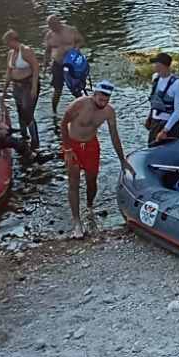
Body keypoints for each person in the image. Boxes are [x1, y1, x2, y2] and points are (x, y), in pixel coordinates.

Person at [60, 79, 130, 238]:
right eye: (100, 99)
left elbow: (114, 136)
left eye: (106, 100)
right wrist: (67, 149)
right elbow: (63, 124)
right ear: (94, 94)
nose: (103, 102)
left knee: (92, 181)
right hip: (73, 145)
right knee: (74, 182)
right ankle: (77, 221)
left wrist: (122, 159)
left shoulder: (109, 112)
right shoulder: (79, 104)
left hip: (91, 146)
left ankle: (89, 208)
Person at [2, 30, 41, 150]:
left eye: (8, 43)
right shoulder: (10, 53)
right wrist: (4, 89)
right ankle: (24, 136)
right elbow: (8, 72)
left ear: (13, 40)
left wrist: (34, 86)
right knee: (20, 111)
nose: (7, 45)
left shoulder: (26, 51)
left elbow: (35, 68)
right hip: (17, 86)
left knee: (27, 112)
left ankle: (35, 141)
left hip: (28, 85)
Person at [43, 15, 83, 111]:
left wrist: (76, 49)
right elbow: (47, 51)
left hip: (72, 63)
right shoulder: (50, 35)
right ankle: (54, 112)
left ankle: (83, 106)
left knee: (75, 88)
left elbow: (81, 41)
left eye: (53, 25)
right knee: (57, 90)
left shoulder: (70, 30)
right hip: (58, 64)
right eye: (50, 26)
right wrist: (45, 64)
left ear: (58, 23)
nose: (52, 28)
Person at [146, 52, 179, 147]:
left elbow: (177, 111)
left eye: (156, 64)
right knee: (152, 150)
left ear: (163, 66)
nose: (154, 66)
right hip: (155, 122)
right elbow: (155, 100)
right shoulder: (155, 78)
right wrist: (150, 117)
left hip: (169, 125)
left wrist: (165, 130)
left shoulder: (177, 84)